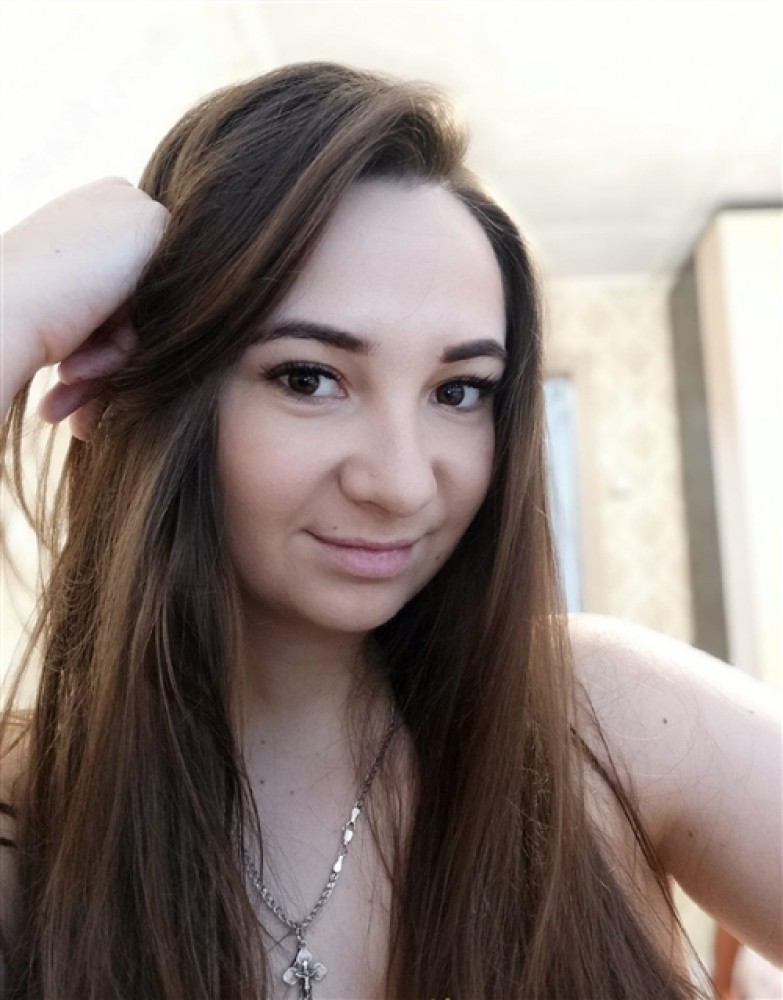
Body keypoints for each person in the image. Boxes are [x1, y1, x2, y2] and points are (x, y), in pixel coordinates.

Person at [0, 61, 779, 1000]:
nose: (402, 484)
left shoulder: (606, 717)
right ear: (167, 398)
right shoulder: (29, 807)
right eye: (308, 378)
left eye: (459, 391)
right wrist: (12, 302)